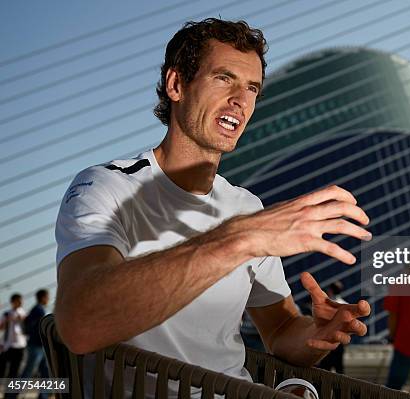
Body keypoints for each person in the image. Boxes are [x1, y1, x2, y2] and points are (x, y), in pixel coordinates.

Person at [54, 18, 371, 396]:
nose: (241, 99)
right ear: (176, 85)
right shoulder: (105, 186)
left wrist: (317, 333)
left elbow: (282, 331)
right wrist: (239, 239)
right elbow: (80, 323)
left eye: (252, 87)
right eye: (224, 78)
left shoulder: (247, 206)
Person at [19, 289, 50, 399]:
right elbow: (39, 329)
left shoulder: (36, 309)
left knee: (45, 372)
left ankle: (44, 395)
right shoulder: (39, 310)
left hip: (37, 346)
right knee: (28, 372)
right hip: (37, 346)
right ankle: (12, 394)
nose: (48, 299)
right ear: (42, 298)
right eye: (47, 297)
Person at [318, 281, 347, 374]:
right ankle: (340, 388)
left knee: (325, 368)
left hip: (328, 339)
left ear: (330, 291)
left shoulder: (327, 305)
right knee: (339, 368)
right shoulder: (346, 305)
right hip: (340, 340)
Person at [0, 294, 27, 379]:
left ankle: (10, 391)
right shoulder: (7, 314)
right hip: (8, 345)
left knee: (15, 369)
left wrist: (22, 319)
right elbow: (1, 327)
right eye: (18, 300)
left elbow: (27, 326)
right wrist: (7, 321)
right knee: (2, 368)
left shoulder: (24, 313)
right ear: (13, 302)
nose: (21, 302)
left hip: (20, 344)